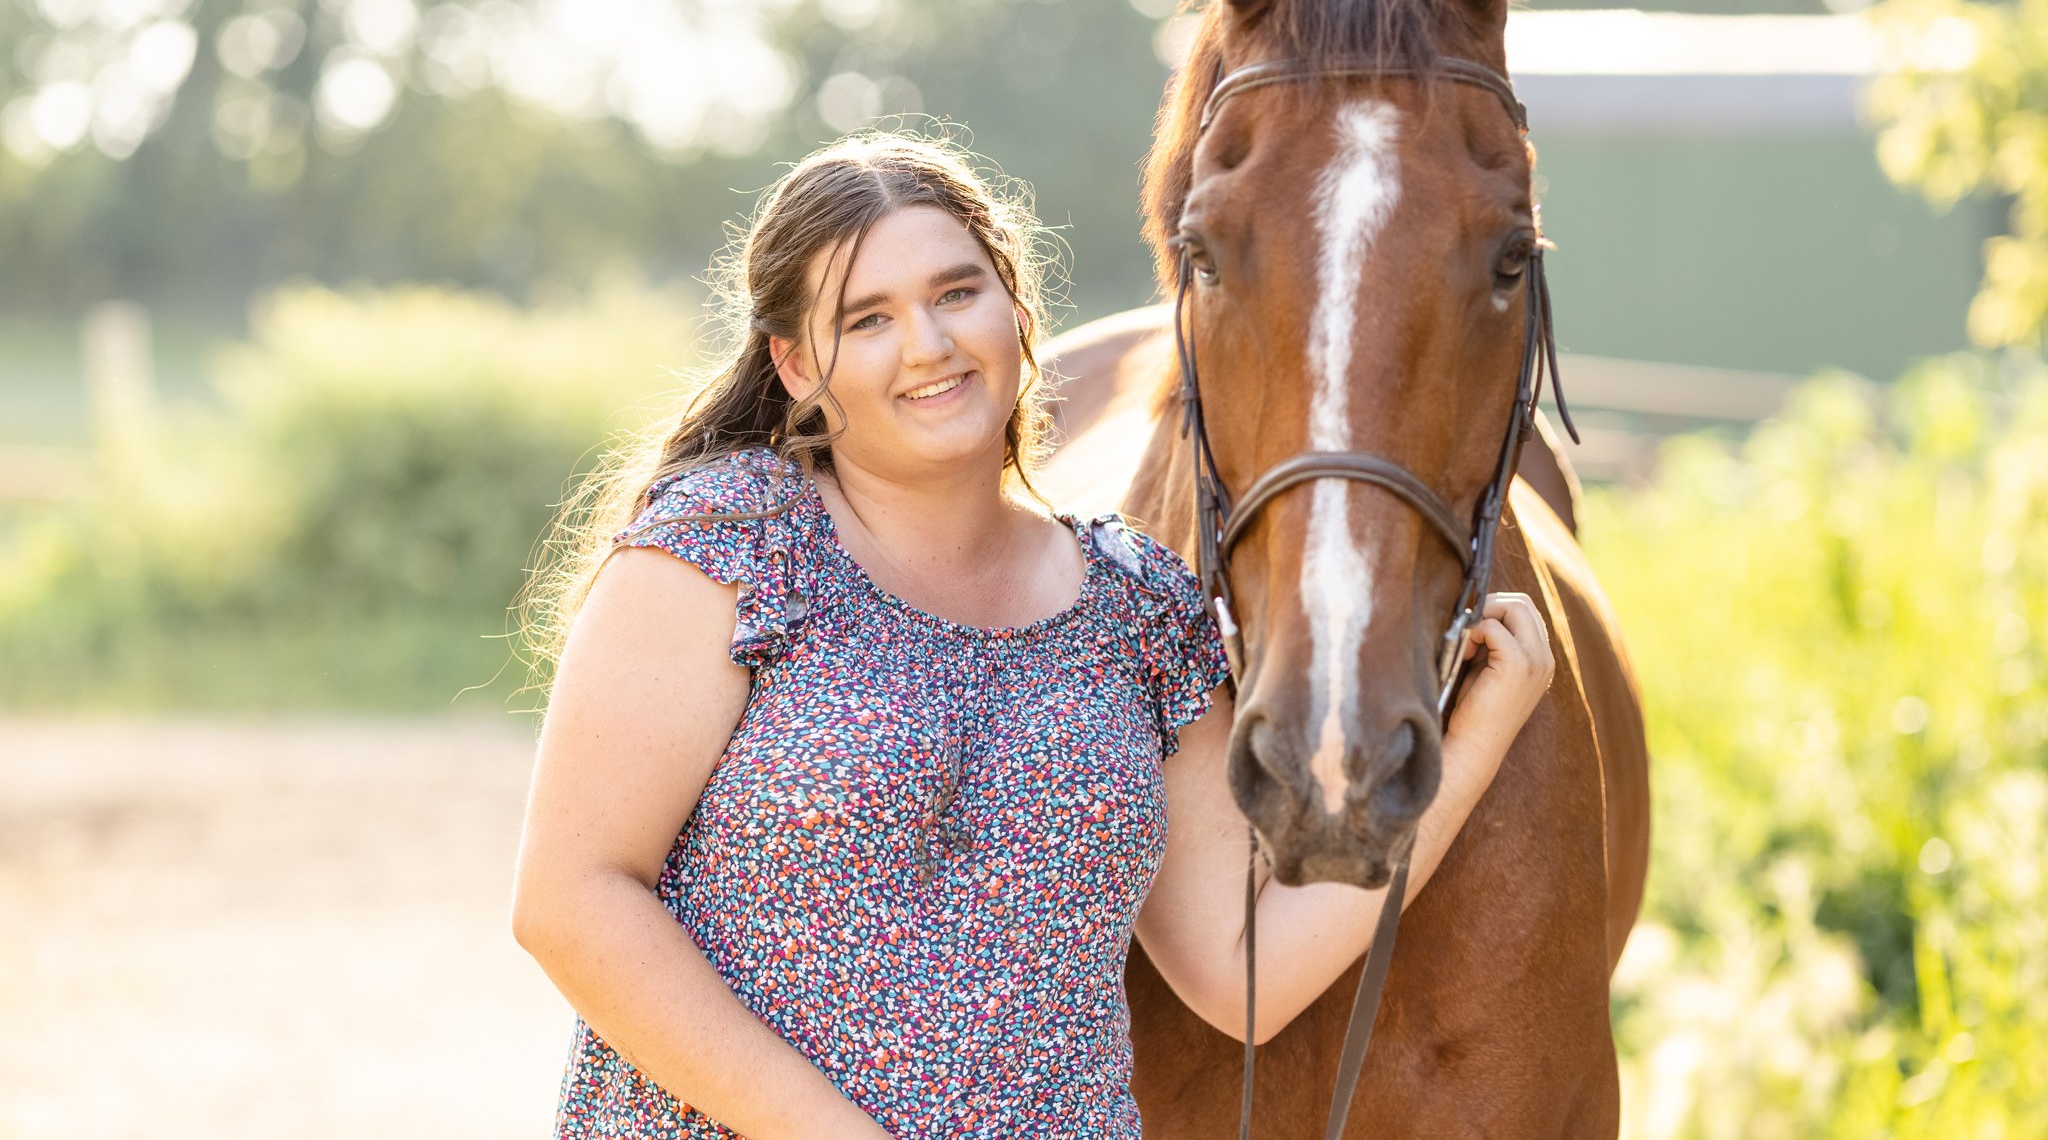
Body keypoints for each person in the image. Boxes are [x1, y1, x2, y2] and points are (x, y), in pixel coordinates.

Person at [510, 132, 1555, 1139]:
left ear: (1014, 308)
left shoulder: (1135, 605)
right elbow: (572, 898)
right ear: (794, 365)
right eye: (866, 318)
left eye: (955, 293)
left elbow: (1240, 971)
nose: (927, 344)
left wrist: (1468, 752)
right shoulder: (727, 544)